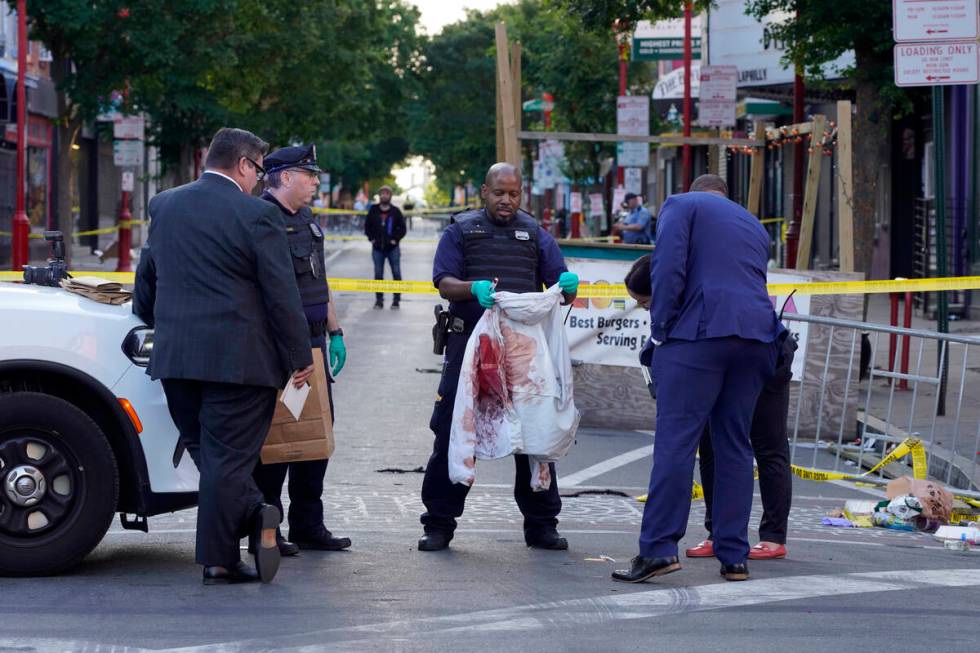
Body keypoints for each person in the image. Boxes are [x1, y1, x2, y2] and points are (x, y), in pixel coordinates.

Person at [133, 127, 314, 585]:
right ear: (244, 165)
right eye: (259, 169)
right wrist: (300, 355)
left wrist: (158, 321)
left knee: (213, 460)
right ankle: (220, 558)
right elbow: (281, 293)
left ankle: (255, 513)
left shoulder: (166, 204)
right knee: (229, 462)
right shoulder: (256, 216)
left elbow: (146, 281)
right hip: (241, 364)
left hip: (177, 361)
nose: (259, 179)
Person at [612, 174, 781, 585]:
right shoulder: (753, 223)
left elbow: (667, 270)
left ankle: (657, 549)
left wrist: (661, 328)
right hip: (758, 336)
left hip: (699, 334)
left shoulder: (680, 205)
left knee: (677, 442)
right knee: (735, 445)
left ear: (693, 189)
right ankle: (734, 555)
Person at [418, 162, 579, 552]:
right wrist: (471, 288)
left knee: (535, 434)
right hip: (469, 348)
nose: (506, 200)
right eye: (499, 193)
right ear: (484, 192)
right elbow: (444, 283)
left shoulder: (536, 235)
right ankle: (439, 524)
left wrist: (569, 287)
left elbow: (562, 284)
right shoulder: (461, 231)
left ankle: (542, 525)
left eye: (513, 193)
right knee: (454, 431)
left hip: (522, 354)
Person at [624, 254, 796, 562]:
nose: (644, 308)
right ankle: (720, 534)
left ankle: (772, 536)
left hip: (762, 359)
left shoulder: (707, 289)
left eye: (644, 301)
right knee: (712, 445)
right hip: (726, 362)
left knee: (766, 446)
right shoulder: (685, 300)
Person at [250, 144, 352, 556]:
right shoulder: (260, 219)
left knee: (317, 435)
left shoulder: (308, 221)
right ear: (286, 177)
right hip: (278, 346)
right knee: (278, 437)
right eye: (309, 174)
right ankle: (268, 529)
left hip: (314, 341)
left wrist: (336, 329)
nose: (315, 181)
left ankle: (309, 525)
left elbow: (319, 280)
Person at [364, 185, 406, 309]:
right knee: (378, 274)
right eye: (382, 193)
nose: (384, 195)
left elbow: (402, 228)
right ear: (379, 195)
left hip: (393, 249)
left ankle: (396, 301)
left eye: (387, 193)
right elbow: (367, 226)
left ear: (390, 196)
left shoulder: (395, 211)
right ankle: (379, 301)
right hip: (377, 249)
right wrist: (371, 239)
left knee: (396, 273)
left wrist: (395, 239)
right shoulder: (373, 210)